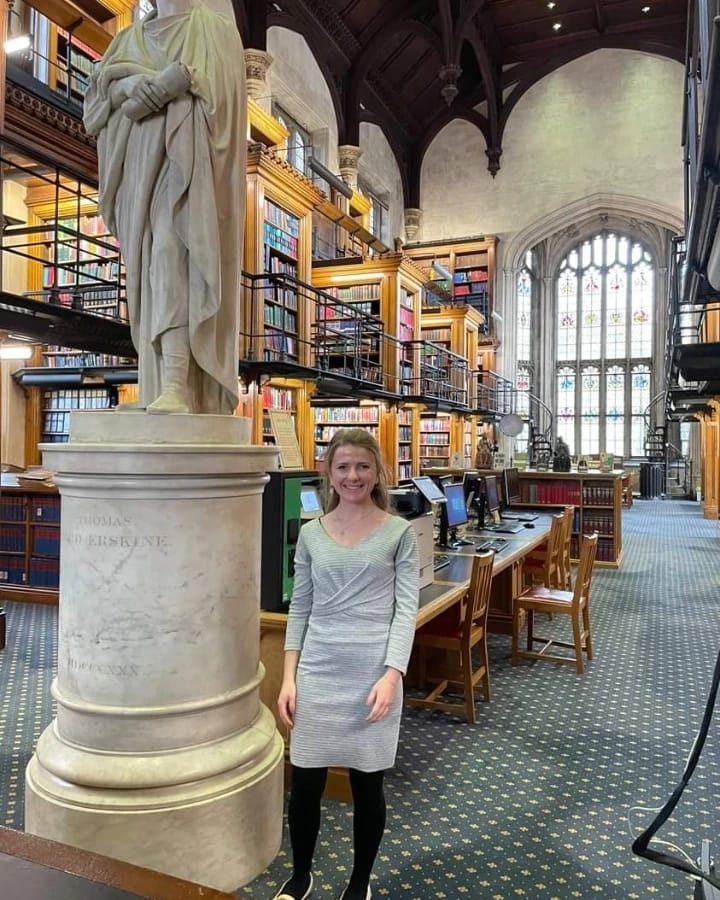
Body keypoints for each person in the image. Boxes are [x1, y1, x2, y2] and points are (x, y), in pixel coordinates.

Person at [275, 428, 419, 900]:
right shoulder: (312, 534)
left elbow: (405, 611)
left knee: (367, 784)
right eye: (343, 467)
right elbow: (301, 607)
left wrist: (392, 674)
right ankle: (300, 876)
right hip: (318, 670)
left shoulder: (399, 532)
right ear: (329, 474)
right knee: (306, 784)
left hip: (371, 674)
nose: (352, 475)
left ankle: (360, 882)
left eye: (362, 466)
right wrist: (288, 677)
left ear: (377, 471)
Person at [83, 0, 246, 415]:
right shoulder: (125, 40)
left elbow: (226, 104)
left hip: (189, 169)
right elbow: (96, 107)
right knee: (150, 278)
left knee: (172, 256)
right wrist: (124, 88)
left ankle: (179, 385)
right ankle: (158, 384)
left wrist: (177, 89)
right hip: (140, 171)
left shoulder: (213, 29)